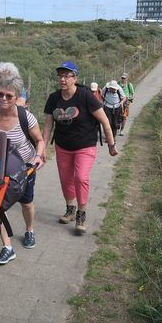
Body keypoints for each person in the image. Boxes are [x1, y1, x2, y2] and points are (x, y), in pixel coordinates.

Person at [42, 61, 118, 235]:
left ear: (75, 78)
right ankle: (70, 208)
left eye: (66, 76)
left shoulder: (85, 96)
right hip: (63, 145)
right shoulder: (54, 98)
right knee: (66, 179)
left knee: (81, 178)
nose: (62, 79)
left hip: (85, 145)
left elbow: (105, 121)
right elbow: (48, 126)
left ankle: (81, 214)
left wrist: (111, 145)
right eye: (60, 75)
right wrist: (42, 149)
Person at [0, 75, 46, 265]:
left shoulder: (25, 117)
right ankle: (7, 247)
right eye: (0, 94)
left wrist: (38, 156)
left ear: (17, 97)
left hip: (25, 169)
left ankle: (29, 230)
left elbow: (39, 140)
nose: (3, 99)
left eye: (9, 96)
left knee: (26, 203)